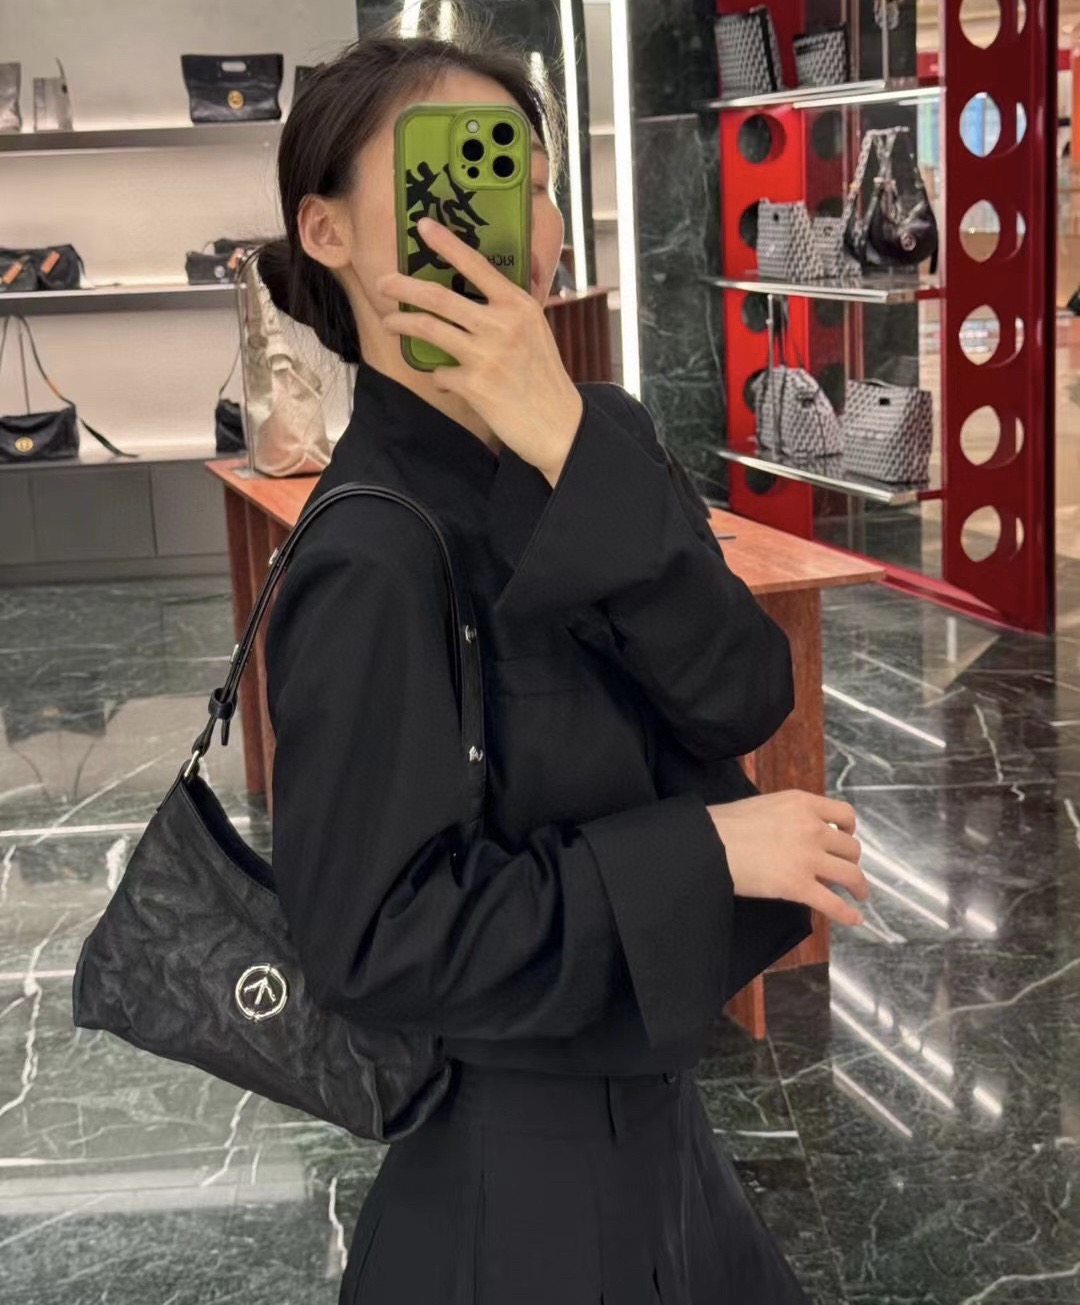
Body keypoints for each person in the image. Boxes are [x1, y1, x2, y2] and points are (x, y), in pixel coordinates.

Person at [260, 16, 869, 1305]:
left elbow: (745, 693)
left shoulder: (609, 438)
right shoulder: (372, 553)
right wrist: (704, 853)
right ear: (326, 230)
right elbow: (373, 945)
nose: (517, 224)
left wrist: (571, 452)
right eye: (453, 173)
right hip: (514, 1179)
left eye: (528, 182)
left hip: (666, 1144)